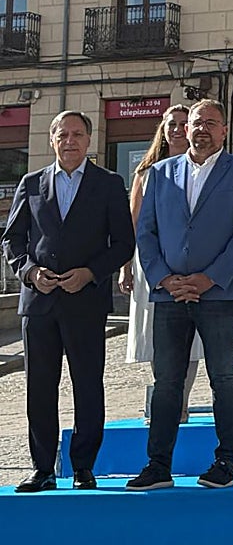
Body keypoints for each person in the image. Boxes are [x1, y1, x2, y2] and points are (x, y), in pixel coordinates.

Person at [126, 100, 233, 491]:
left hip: (219, 294)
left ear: (224, 130)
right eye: (195, 123)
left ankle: (225, 461)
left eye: (210, 123)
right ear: (185, 130)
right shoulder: (159, 173)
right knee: (167, 380)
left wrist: (209, 278)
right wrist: (163, 278)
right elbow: (146, 233)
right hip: (170, 294)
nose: (201, 129)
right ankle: (157, 466)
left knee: (224, 377)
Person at [3, 111, 135, 493]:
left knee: (87, 386)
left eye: (78, 134)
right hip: (39, 303)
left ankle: (83, 467)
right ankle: (42, 468)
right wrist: (29, 272)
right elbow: (12, 240)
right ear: (52, 139)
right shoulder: (31, 183)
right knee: (39, 388)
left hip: (85, 301)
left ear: (89, 140)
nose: (70, 141)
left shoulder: (109, 184)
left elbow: (124, 243)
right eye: (63, 135)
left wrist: (91, 273)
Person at [119, 104, 204, 421]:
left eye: (184, 123)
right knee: (157, 333)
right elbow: (134, 221)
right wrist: (125, 266)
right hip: (152, 263)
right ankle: (163, 401)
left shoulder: (204, 168)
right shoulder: (146, 171)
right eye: (173, 124)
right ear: (163, 129)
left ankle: (182, 404)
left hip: (192, 262)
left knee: (191, 336)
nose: (179, 129)